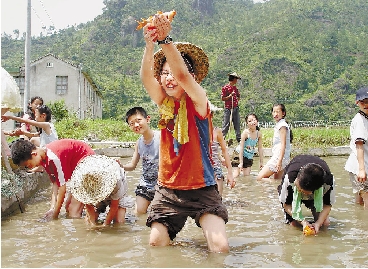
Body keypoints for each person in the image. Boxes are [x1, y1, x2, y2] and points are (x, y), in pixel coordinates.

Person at [140, 13, 230, 253]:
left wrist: (165, 39)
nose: (169, 78)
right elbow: (146, 79)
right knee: (156, 244)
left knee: (220, 249)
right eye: (165, 73)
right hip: (169, 189)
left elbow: (182, 76)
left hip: (202, 186)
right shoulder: (164, 104)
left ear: (192, 78)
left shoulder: (199, 101)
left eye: (174, 73)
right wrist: (149, 46)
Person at [10, 139, 95, 221]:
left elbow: (62, 188)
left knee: (73, 211)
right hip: (78, 170)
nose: (30, 167)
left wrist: (55, 215)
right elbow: (55, 183)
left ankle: (87, 227)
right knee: (68, 206)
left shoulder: (53, 157)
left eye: (28, 165)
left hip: (88, 166)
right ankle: (87, 215)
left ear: (34, 154)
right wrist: (52, 208)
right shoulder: (43, 158)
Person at [278, 155, 335, 234]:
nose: (301, 193)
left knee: (325, 224)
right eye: (299, 189)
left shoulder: (328, 181)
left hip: (316, 189)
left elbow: (327, 205)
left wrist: (318, 224)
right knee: (294, 224)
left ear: (314, 192)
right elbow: (286, 205)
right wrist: (303, 222)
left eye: (304, 192)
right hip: (292, 187)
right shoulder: (290, 177)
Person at [69, 155, 133, 226]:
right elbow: (89, 207)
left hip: (117, 187)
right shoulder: (85, 182)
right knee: (88, 221)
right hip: (96, 186)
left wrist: (105, 224)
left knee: (119, 222)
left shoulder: (116, 180)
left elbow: (114, 206)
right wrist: (93, 225)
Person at [120, 106, 160, 215]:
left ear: (147, 119)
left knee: (158, 216)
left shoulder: (161, 137)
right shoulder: (139, 143)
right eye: (132, 124)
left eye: (138, 121)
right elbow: (132, 165)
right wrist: (120, 166)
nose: (136, 125)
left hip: (162, 185)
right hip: (146, 184)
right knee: (138, 213)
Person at [344, 86, 368, 209]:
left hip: (359, 165)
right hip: (360, 166)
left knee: (360, 201)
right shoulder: (360, 120)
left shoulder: (366, 118)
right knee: (366, 199)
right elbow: (359, 145)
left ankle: (359, 224)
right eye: (362, 102)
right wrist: (362, 169)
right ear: (357, 102)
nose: (366, 105)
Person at [257, 103, 291, 180]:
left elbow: (283, 144)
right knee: (277, 181)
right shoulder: (280, 124)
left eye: (278, 112)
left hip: (279, 157)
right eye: (274, 112)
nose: (275, 114)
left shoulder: (282, 126)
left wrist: (279, 161)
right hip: (282, 157)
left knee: (259, 178)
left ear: (283, 113)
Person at [209, 102, 235, 197]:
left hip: (216, 169)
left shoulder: (217, 131)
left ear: (212, 115)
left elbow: (224, 151)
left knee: (218, 200)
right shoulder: (196, 131)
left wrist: (230, 174)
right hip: (202, 170)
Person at [233, 113, 264, 178]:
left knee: (246, 177)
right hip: (239, 154)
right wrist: (241, 163)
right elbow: (241, 148)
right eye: (250, 121)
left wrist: (261, 162)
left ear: (257, 121)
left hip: (249, 157)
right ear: (247, 124)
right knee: (235, 175)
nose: (252, 122)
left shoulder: (259, 134)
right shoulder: (245, 133)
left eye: (254, 120)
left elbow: (260, 149)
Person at [221, 72, 241, 143]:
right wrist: (230, 96)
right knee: (226, 124)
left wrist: (236, 100)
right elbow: (222, 98)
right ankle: (222, 138)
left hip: (235, 107)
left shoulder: (235, 88)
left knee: (237, 123)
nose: (237, 81)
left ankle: (239, 139)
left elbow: (239, 96)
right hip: (228, 108)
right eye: (236, 79)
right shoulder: (225, 88)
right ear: (233, 79)